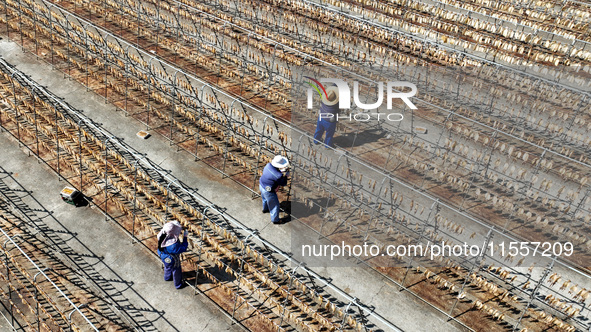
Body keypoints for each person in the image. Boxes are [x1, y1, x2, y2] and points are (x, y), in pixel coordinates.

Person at [157, 221, 189, 289]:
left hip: (162, 255)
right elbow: (183, 248)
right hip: (172, 259)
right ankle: (178, 285)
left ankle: (167, 277)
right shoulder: (173, 245)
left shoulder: (161, 235)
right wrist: (185, 237)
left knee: (167, 267)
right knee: (176, 271)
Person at [259, 155, 290, 224]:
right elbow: (283, 183)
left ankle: (265, 209)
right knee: (275, 205)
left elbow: (272, 174)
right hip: (268, 191)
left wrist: (281, 172)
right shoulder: (278, 175)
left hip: (261, 185)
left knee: (264, 199)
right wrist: (286, 176)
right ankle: (275, 220)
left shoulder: (268, 165)